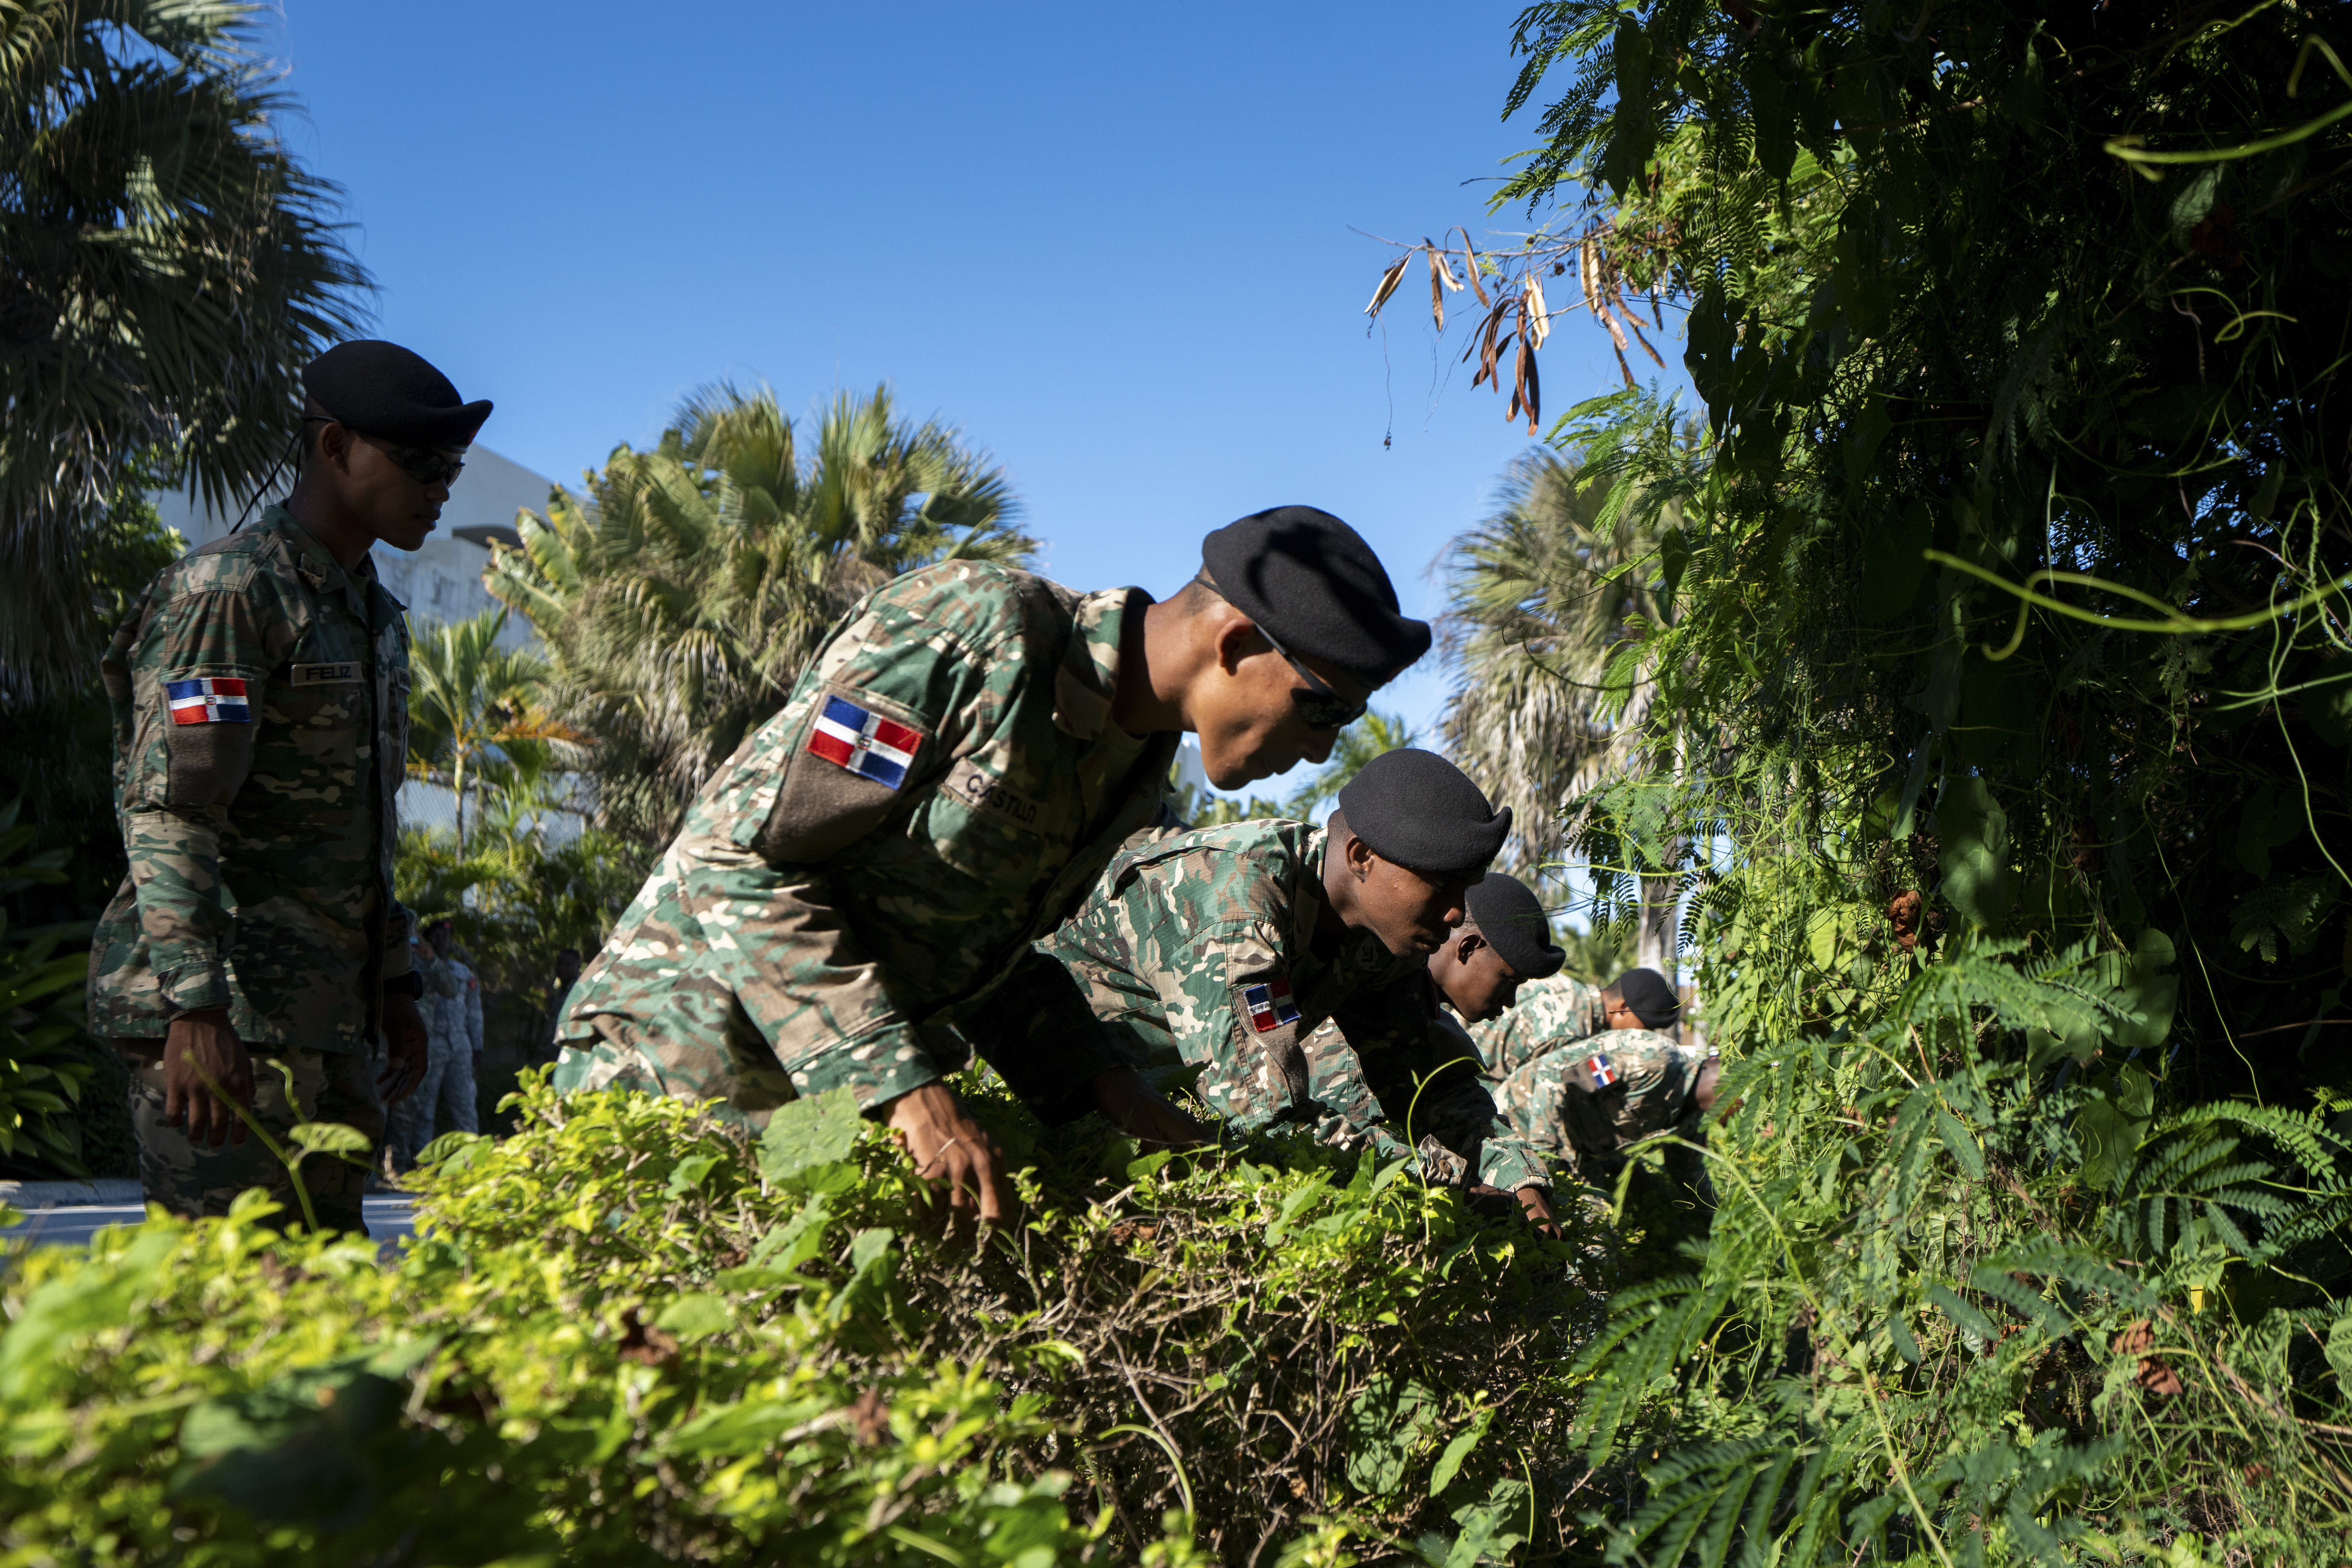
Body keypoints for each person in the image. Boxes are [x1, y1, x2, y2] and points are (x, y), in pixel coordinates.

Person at [555, 506, 1430, 1235]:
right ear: (1236, 640)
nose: (1322, 747)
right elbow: (735, 855)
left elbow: (982, 961)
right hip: (680, 1053)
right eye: (1322, 708)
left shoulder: (1131, 770)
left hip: (821, 1105)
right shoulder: (976, 630)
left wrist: (1109, 1091)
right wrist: (900, 1089)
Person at [86, 338, 480, 1233]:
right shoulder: (230, 593)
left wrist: (395, 981)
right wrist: (195, 1005)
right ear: (334, 446)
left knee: (323, 1316)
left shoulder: (371, 615)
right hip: (222, 1016)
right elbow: (172, 807)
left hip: (323, 1019)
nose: (441, 484)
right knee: (224, 1312)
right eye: (420, 462)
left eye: (450, 466)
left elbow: (360, 823)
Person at [996, 748, 1559, 1232]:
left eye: (1465, 887)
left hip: (1143, 1101)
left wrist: (1519, 1180)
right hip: (1038, 1085)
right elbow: (1264, 1118)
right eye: (1441, 885)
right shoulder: (1236, 897)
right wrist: (1453, 1186)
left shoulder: (1382, 936)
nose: (1459, 911)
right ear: (1362, 857)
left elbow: (1429, 1082)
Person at [1475, 963, 1720, 1188]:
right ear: (1622, 1008)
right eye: (1647, 1026)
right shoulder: (1567, 1027)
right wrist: (1544, 1158)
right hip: (1486, 1095)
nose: (1649, 1035)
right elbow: (1536, 1081)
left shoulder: (1575, 999)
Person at [387, 918, 480, 1165]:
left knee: (465, 1108)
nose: (442, 941)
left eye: (446, 937)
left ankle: (472, 1164)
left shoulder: (461, 971)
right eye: (435, 936)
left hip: (460, 1046)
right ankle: (423, 1166)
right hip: (430, 1045)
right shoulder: (409, 963)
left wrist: (478, 1048)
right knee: (424, 1110)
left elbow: (473, 1012)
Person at [544, 947, 582, 1064]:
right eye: (559, 965)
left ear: (578, 966)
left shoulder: (581, 990)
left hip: (570, 1053)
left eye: (567, 965)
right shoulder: (562, 990)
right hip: (554, 1051)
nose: (562, 969)